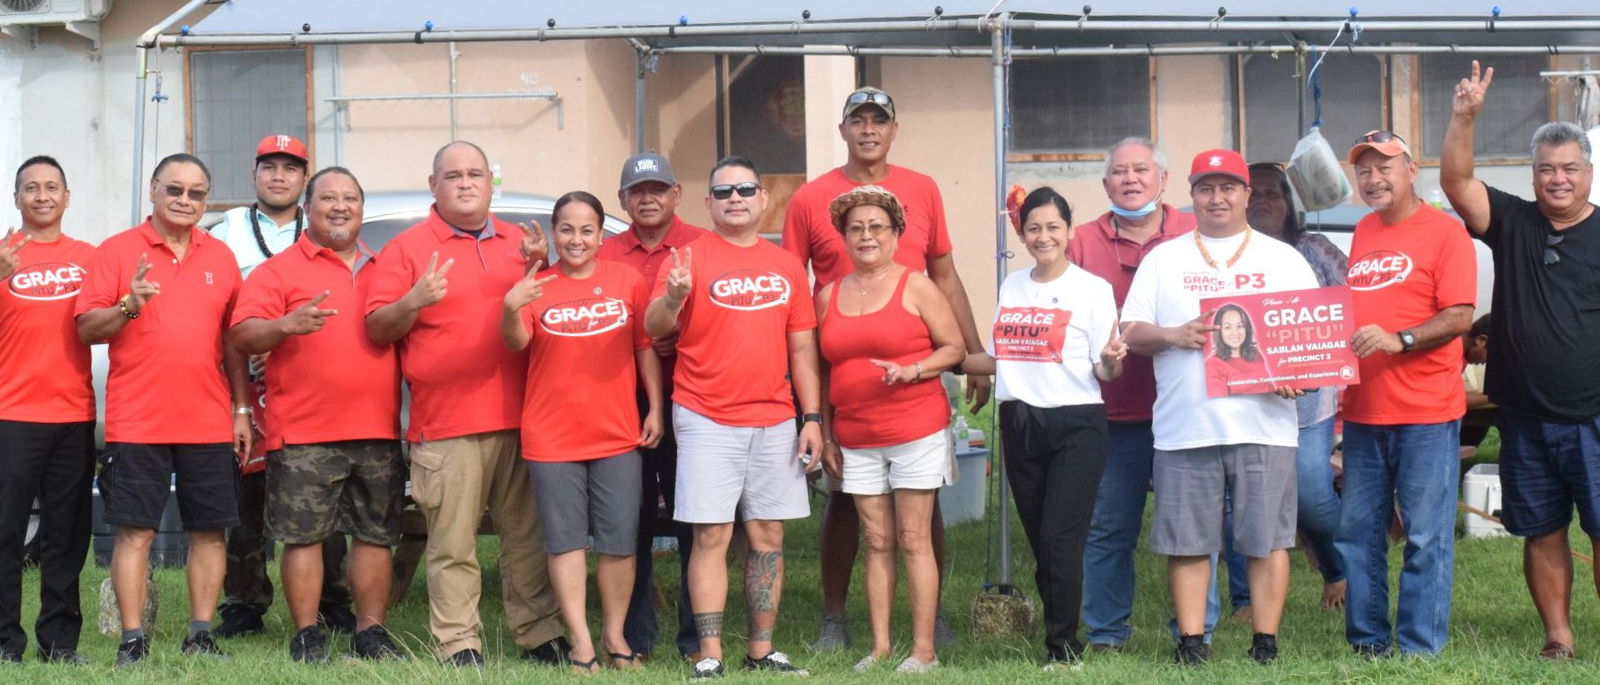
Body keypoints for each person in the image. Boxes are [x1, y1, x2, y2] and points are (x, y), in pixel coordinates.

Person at [783, 86, 985, 649]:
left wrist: (973, 358)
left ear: (894, 129)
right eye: (858, 120)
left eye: (880, 120)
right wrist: (804, 394)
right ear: (843, 130)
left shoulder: (922, 189)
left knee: (924, 505)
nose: (869, 129)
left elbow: (945, 276)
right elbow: (790, 287)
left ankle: (931, 618)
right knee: (845, 499)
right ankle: (834, 617)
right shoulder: (809, 199)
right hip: (841, 369)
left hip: (916, 368)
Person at [364, 141, 565, 667]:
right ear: (434, 185)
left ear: (490, 182)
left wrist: (539, 265)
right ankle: (458, 643)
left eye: (476, 173)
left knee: (527, 537)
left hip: (524, 419)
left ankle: (539, 633)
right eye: (452, 175)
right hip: (447, 423)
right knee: (453, 544)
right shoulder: (407, 249)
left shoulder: (519, 244)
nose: (465, 182)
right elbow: (377, 328)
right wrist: (414, 300)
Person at [1121, 148, 1317, 666]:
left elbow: (1309, 341)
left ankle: (1265, 643)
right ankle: (1191, 643)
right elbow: (1130, 332)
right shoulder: (1164, 259)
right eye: (1206, 188)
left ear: (1247, 195)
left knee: (1267, 539)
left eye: (1228, 187)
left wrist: (1295, 376)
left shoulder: (1283, 260)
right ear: (1192, 195)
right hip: (1187, 425)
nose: (1217, 197)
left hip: (1264, 424)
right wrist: (1173, 334)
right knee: (1189, 540)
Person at [1443, 60, 1600, 661]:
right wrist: (1464, 117)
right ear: (1532, 176)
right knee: (1541, 531)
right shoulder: (1513, 223)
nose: (1557, 180)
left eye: (1569, 169)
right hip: (1527, 419)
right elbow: (1458, 183)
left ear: (1587, 173)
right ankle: (1558, 639)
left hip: (1593, 418)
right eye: (1546, 170)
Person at [644, 156, 821, 680]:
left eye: (745, 189)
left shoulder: (787, 264)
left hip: (774, 417)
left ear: (764, 198)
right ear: (708, 203)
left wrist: (810, 416)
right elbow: (654, 328)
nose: (736, 198)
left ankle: (762, 651)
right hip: (705, 415)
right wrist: (674, 297)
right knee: (711, 535)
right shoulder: (686, 258)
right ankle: (710, 654)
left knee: (768, 534)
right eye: (724, 192)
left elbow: (803, 349)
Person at [74, 153, 251, 666]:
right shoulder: (117, 251)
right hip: (139, 417)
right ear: (153, 190)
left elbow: (233, 342)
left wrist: (241, 409)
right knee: (135, 531)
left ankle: (200, 633)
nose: (185, 201)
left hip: (208, 417)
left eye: (197, 193)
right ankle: (133, 638)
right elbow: (86, 329)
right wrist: (130, 304)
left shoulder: (220, 255)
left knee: (209, 530)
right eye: (174, 189)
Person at [226, 167, 404, 663]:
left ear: (362, 209)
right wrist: (285, 325)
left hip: (377, 427)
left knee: (374, 534)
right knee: (302, 537)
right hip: (304, 432)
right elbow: (242, 335)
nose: (340, 206)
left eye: (350, 198)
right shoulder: (280, 270)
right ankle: (307, 634)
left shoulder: (383, 265)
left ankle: (370, 632)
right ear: (309, 207)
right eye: (329, 198)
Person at [1068, 137, 1222, 650]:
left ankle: (1198, 628)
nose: (1130, 179)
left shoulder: (1199, 235)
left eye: (1141, 170)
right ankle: (1107, 633)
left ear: (1163, 181)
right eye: (1119, 171)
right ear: (1105, 183)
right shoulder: (1081, 242)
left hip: (1190, 408)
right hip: (1113, 412)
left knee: (1199, 528)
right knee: (1108, 527)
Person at [501, 191, 663, 674]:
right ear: (555, 233)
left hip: (617, 435)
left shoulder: (626, 280)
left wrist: (654, 407)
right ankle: (581, 642)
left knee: (619, 542)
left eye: (587, 229)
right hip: (552, 437)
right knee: (565, 542)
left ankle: (615, 636)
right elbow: (517, 343)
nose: (576, 239)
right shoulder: (536, 284)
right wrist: (511, 307)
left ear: (600, 234)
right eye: (567, 229)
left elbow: (644, 349)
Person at [965, 187, 1123, 666]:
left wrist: (1115, 361)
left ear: (1070, 231)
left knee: (1060, 539)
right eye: (1034, 227)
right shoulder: (1012, 286)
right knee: (1041, 541)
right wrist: (930, 361)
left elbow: (1106, 371)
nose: (1043, 236)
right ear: (1022, 233)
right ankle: (1059, 633)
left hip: (1076, 423)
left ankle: (1064, 647)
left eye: (1053, 226)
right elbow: (1001, 357)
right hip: (1019, 422)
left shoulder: (1093, 290)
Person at [208, 134, 354, 639]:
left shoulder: (325, 228)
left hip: (307, 382)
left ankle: (333, 598)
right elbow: (218, 311)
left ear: (304, 180)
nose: (279, 176)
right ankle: (245, 601)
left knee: (318, 495)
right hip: (242, 379)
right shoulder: (225, 229)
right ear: (254, 175)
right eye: (269, 166)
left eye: (290, 169)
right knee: (246, 494)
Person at [1336, 130, 1476, 658]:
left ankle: (1419, 647)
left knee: (1424, 536)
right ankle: (1369, 642)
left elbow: (1461, 314)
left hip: (1426, 411)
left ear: (1411, 169)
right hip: (1365, 410)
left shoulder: (1446, 232)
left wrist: (1402, 340)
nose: (1373, 179)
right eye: (1364, 171)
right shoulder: (1364, 230)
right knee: (1358, 535)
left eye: (1384, 167)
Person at [815, 186, 965, 674]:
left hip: (916, 427)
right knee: (877, 541)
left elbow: (953, 348)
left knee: (912, 538)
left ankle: (924, 651)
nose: (866, 235)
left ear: (897, 233)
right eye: (856, 228)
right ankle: (880, 648)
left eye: (877, 226)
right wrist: (828, 432)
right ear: (843, 237)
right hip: (856, 436)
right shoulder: (827, 295)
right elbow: (820, 370)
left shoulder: (917, 286)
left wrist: (914, 371)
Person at [1222, 162, 1349, 619]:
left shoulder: (1313, 249)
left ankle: (1338, 567)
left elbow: (1353, 302)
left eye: (1271, 193)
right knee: (1236, 499)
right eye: (1251, 192)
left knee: (1312, 491)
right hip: (1243, 401)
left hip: (1308, 402)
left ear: (1289, 203)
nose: (1260, 201)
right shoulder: (1223, 255)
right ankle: (1244, 598)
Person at [602, 153, 709, 661]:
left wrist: (678, 333)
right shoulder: (605, 253)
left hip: (693, 400)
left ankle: (694, 639)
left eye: (657, 189)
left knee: (694, 521)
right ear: (622, 200)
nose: (648, 198)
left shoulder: (703, 248)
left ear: (676, 194)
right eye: (637, 190)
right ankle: (636, 638)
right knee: (633, 522)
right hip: (625, 404)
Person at [0, 156, 95, 665]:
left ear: (66, 196)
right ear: (16, 198)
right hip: (10, 415)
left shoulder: (91, 257)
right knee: (6, 534)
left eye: (51, 186)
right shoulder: (1, 255)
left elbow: (113, 318)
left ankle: (60, 643)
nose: (42, 195)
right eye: (30, 188)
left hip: (73, 414)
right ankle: (3, 644)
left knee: (66, 535)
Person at [1205, 305, 1273, 396]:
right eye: (1228, 327)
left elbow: (1269, 387)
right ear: (1219, 331)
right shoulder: (1213, 364)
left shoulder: (1255, 354)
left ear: (1246, 329)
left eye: (1240, 326)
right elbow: (1219, 404)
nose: (1235, 332)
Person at [1460, 313, 1495, 459]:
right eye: (1493, 354)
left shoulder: (1462, 354)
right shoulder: (1450, 353)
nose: (1488, 362)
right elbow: (1452, 399)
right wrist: (1501, 395)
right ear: (1481, 340)